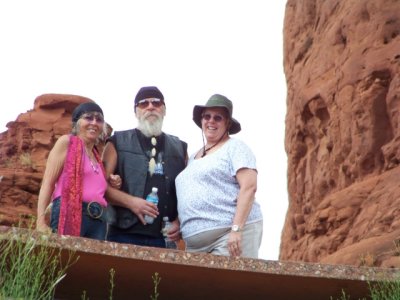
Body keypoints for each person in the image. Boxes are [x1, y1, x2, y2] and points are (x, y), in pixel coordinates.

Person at [175, 94, 263, 258]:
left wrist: (236, 230)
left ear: (227, 123)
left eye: (218, 118)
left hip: (228, 236)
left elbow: (249, 186)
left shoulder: (235, 147)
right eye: (207, 116)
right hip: (194, 245)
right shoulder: (192, 158)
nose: (211, 121)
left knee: (229, 283)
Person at [102, 86, 187, 248]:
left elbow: (189, 193)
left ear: (164, 110)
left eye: (156, 102)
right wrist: (132, 202)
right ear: (136, 111)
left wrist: (179, 221)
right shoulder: (117, 141)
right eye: (143, 103)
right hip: (123, 234)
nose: (150, 106)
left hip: (166, 237)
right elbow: (100, 186)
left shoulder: (180, 147)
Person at [36, 101, 118, 240]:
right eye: (88, 117)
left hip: (99, 219)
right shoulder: (66, 142)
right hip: (70, 211)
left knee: (92, 262)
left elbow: (98, 189)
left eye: (99, 120)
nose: (94, 122)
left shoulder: (97, 157)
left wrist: (114, 182)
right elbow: (48, 183)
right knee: (67, 260)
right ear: (76, 123)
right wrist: (40, 221)